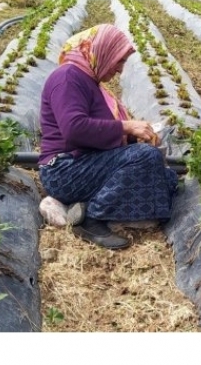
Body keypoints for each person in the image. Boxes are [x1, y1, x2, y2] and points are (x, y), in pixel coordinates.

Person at [38, 24, 178, 250]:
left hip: (85, 164)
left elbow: (99, 132)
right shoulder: (68, 78)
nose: (120, 70)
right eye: (119, 61)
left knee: (166, 178)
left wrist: (133, 137)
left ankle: (78, 206)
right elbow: (74, 129)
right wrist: (126, 127)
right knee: (145, 158)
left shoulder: (89, 82)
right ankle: (91, 218)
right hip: (64, 170)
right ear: (103, 52)